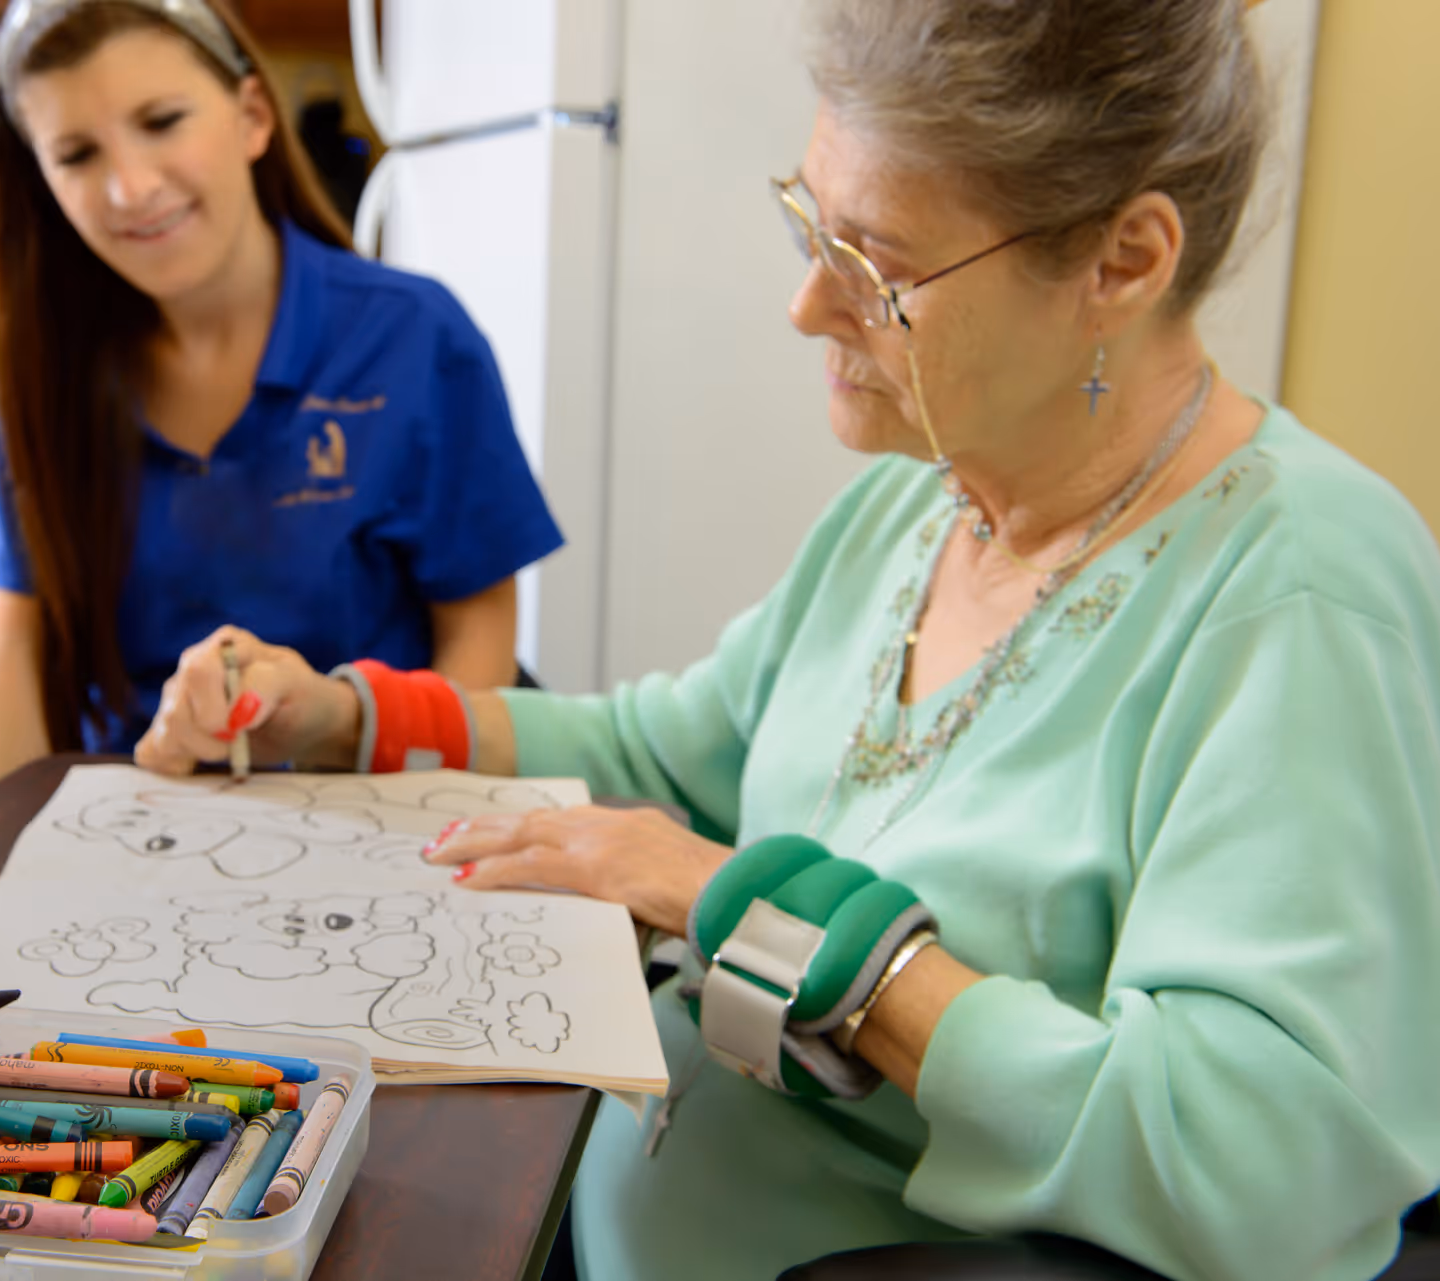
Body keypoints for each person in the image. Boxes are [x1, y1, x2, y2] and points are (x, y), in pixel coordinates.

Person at [133, 1, 1440, 1277]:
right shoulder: (919, 503)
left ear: (1126, 260)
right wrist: (360, 719)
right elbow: (677, 748)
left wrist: (768, 922)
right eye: (810, 221)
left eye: (875, 265)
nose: (809, 305)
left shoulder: (1304, 591)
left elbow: (1269, 1174)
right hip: (601, 1202)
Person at [0, 0, 564, 795]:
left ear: (251, 117)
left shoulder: (416, 337)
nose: (131, 187)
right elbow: (17, 640)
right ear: (42, 181)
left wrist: (429, 819)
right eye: (76, 154)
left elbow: (479, 631)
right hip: (143, 811)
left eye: (163, 121)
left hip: (369, 799)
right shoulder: (52, 373)